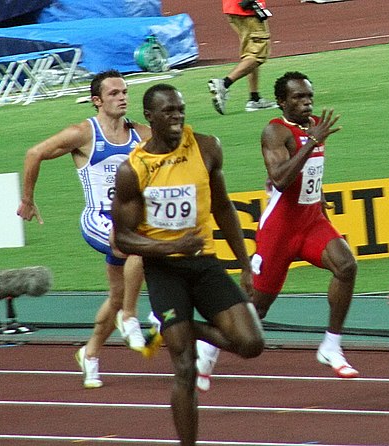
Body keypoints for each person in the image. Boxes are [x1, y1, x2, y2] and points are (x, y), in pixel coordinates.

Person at [111, 83, 264, 445]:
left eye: (180, 108)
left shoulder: (207, 147)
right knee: (184, 367)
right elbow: (123, 238)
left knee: (250, 343)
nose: (178, 115)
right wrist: (174, 245)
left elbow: (224, 208)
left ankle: (177, 325)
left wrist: (244, 264)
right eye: (168, 111)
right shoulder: (134, 170)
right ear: (150, 117)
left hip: (205, 263)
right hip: (165, 271)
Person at [196, 71, 359, 392]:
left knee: (347, 266)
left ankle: (331, 345)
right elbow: (281, 179)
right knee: (257, 309)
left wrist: (319, 195)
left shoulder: (313, 125)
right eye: (298, 97)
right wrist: (312, 141)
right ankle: (209, 346)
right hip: (280, 230)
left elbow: (310, 170)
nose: (307, 102)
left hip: (311, 221)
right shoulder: (275, 131)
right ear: (282, 101)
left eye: (309, 95)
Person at [17, 70, 150, 389]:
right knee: (138, 245)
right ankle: (131, 317)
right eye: (114, 93)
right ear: (97, 101)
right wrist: (28, 200)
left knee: (116, 295)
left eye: (124, 91)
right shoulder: (84, 134)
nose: (122, 97)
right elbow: (35, 153)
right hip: (97, 218)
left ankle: (89, 354)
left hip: (129, 221)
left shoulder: (141, 135)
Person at [208, 0, 277, 114]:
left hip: (234, 8)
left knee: (251, 52)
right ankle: (224, 84)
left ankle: (254, 98)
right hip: (248, 8)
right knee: (258, 54)